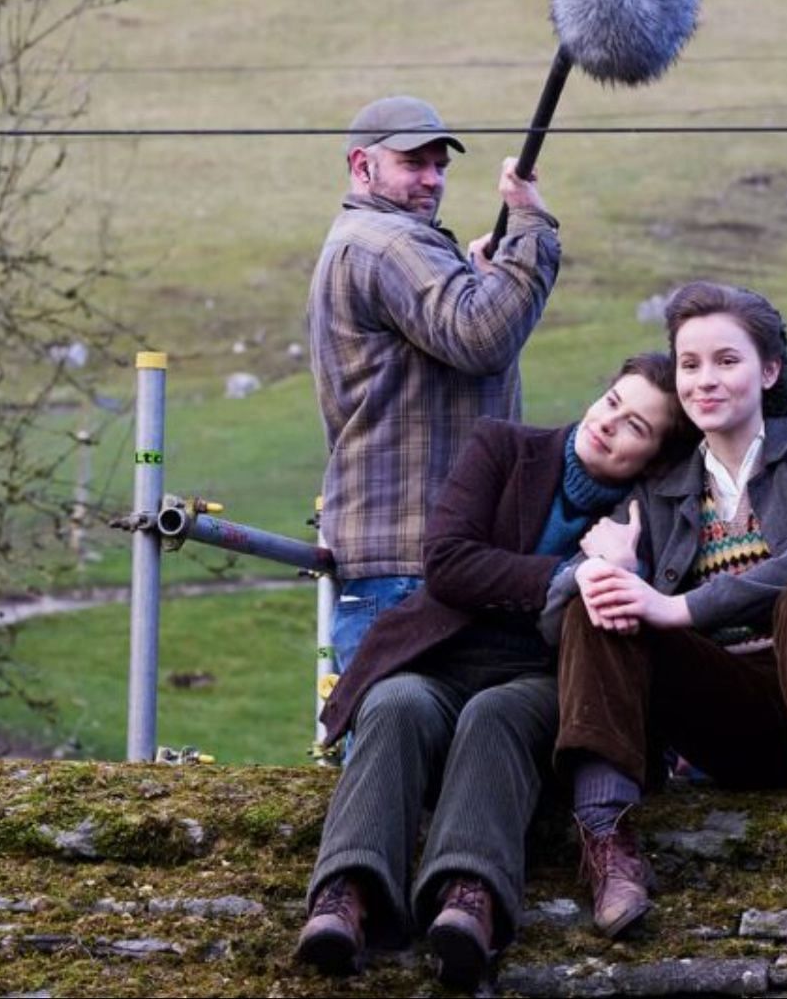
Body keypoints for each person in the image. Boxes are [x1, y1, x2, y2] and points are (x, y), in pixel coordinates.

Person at [550, 281, 787, 956]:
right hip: (741, 723)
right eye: (690, 364)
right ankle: (609, 848)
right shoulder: (661, 488)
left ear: (768, 371)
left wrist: (679, 606)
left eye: (726, 361)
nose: (705, 379)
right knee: (602, 601)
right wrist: (601, 571)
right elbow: (556, 613)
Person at [295, 353, 695, 987]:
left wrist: (624, 569)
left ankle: (469, 901)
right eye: (613, 402)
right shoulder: (504, 448)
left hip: (544, 677)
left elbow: (637, 629)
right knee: (396, 703)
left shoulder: (650, 514)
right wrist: (569, 576)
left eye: (636, 427)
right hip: (442, 657)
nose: (610, 423)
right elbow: (449, 561)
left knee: (496, 714)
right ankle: (346, 897)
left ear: (654, 459)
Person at [308, 94, 561, 675]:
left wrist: (480, 279)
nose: (431, 180)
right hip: (415, 564)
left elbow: (453, 338)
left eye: (440, 166)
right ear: (361, 166)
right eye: (413, 164)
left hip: (407, 560)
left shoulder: (363, 240)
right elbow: (480, 338)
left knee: (405, 750)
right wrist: (529, 224)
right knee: (411, 749)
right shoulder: (389, 242)